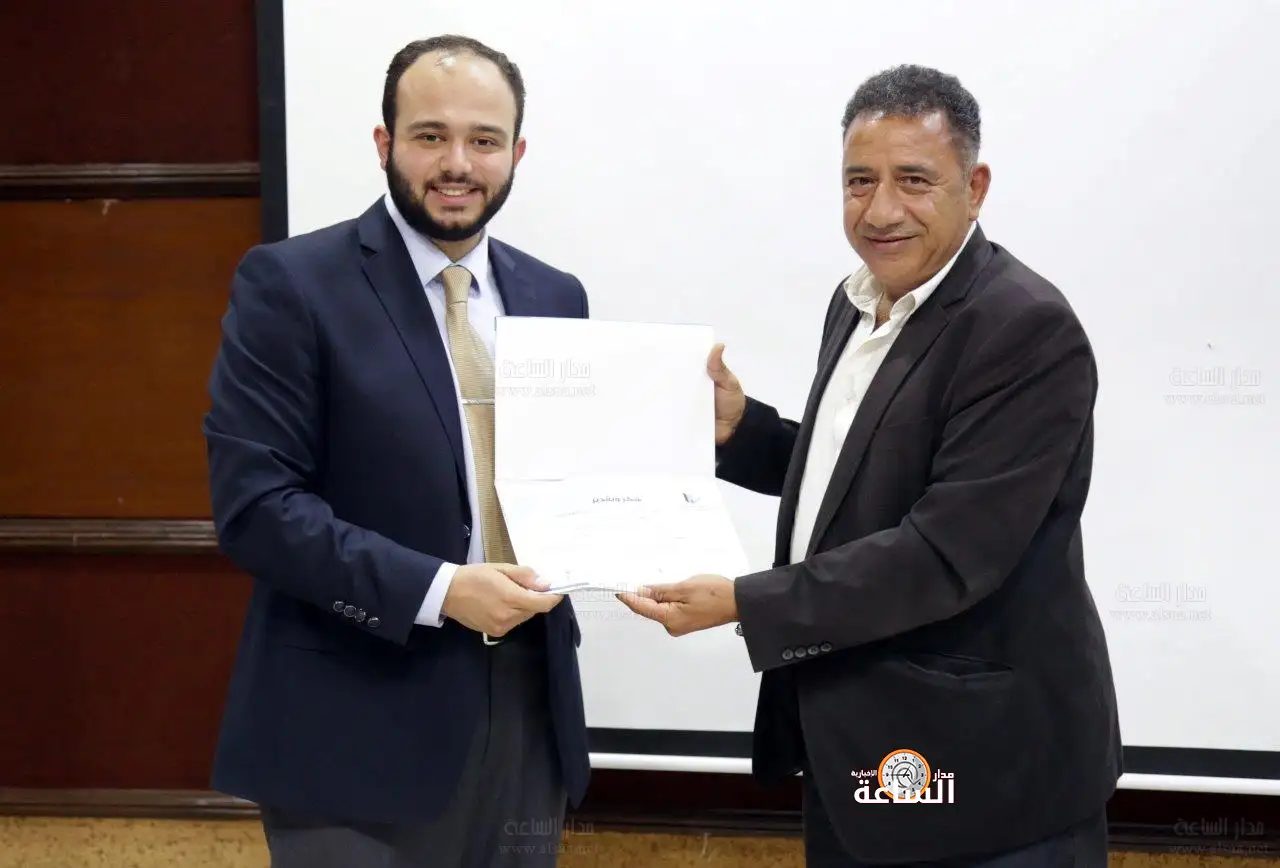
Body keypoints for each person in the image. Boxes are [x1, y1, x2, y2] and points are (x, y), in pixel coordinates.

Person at [619, 65, 1121, 866]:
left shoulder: (1023, 327)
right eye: (860, 181)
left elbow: (944, 554)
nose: (880, 210)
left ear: (975, 188)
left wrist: (746, 603)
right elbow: (859, 476)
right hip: (857, 754)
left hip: (983, 781)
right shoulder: (857, 298)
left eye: (914, 180)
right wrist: (741, 432)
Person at [203, 34, 591, 867]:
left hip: (528, 717)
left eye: (484, 140)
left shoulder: (556, 297)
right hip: (351, 729)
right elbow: (257, 510)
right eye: (429, 136)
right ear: (385, 143)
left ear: (516, 153)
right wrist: (442, 591)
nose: (458, 164)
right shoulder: (291, 284)